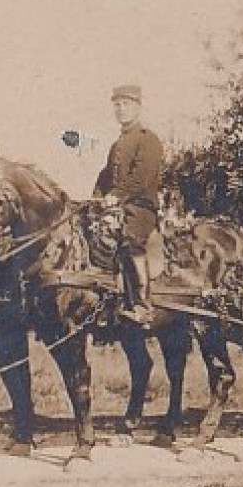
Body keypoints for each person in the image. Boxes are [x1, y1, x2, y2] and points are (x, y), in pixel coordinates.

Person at [94, 84, 164, 327]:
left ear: (138, 107)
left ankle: (141, 306)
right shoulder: (118, 144)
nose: (121, 109)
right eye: (117, 105)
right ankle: (107, 303)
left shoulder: (148, 139)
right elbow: (106, 177)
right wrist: (95, 197)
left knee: (129, 240)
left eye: (126, 104)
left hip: (140, 207)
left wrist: (117, 195)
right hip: (119, 206)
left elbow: (142, 177)